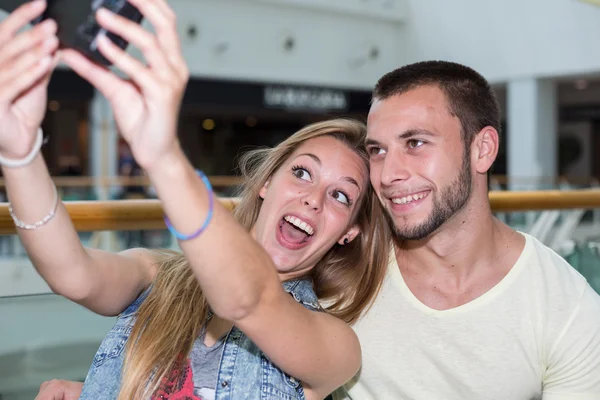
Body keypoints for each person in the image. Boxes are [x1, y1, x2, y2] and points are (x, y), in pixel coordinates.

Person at [0, 1, 389, 399]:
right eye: (302, 172)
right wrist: (19, 152)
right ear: (266, 183)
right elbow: (72, 274)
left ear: (350, 232)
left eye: (341, 195)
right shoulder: (157, 274)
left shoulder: (336, 346)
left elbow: (248, 300)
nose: (313, 199)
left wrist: (164, 157)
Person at [333, 61, 600, 399]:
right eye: (378, 150)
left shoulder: (567, 309)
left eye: (415, 143)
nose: (387, 175)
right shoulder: (343, 268)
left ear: (482, 149)